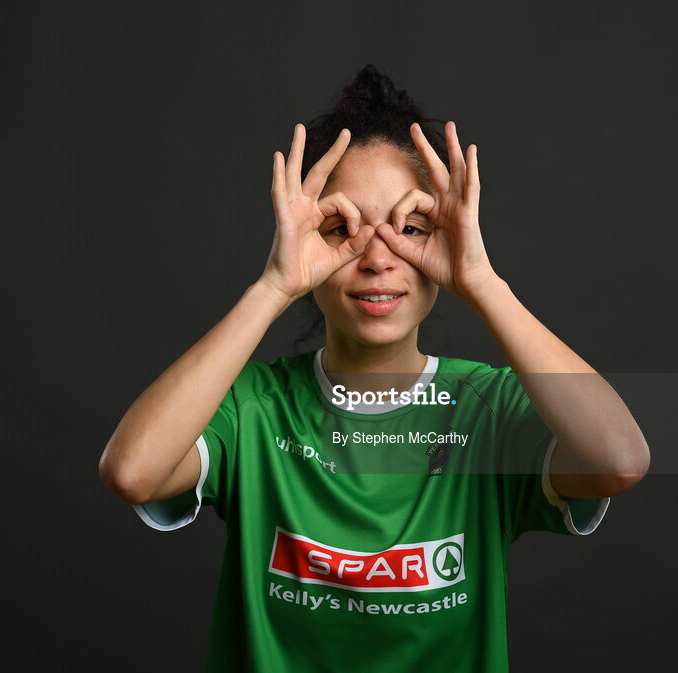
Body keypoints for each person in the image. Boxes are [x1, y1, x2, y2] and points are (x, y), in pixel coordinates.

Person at [99, 64, 650, 673]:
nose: (379, 258)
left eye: (412, 229)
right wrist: (274, 285)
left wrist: (482, 281)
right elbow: (133, 472)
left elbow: (619, 460)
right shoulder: (253, 407)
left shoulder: (485, 410)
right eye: (342, 230)